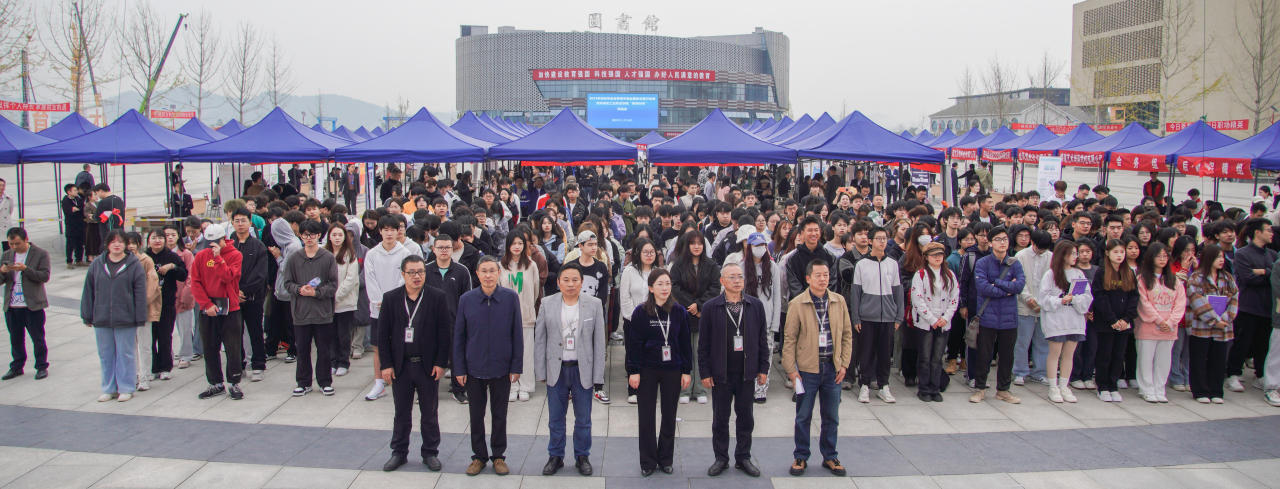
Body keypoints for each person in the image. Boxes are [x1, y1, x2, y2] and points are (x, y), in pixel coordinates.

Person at [378, 255, 453, 472]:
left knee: (429, 413)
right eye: (411, 272)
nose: (417, 276)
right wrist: (386, 365)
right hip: (400, 366)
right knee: (401, 413)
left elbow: (445, 333)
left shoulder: (437, 297)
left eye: (420, 271)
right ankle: (399, 452)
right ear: (403, 274)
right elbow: (382, 335)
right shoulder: (391, 298)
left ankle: (430, 452)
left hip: (427, 366)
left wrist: (441, 363)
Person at [454, 256, 524, 476]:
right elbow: (459, 336)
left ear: (498, 273)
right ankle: (479, 457)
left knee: (499, 414)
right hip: (473, 367)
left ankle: (498, 456)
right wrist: (459, 368)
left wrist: (516, 365)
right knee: (476, 415)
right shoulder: (466, 299)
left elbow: (517, 334)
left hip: (501, 367)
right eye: (483, 271)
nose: (488, 275)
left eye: (492, 271)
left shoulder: (510, 298)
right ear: (477, 274)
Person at [534, 263, 605, 476]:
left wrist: (598, 375)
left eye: (575, 280)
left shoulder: (594, 304)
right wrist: (540, 371)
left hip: (582, 369)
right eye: (566, 280)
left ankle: (582, 456)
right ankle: (555, 456)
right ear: (558, 282)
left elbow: (599, 342)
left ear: (582, 282)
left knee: (583, 419)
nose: (570, 284)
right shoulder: (547, 303)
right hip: (556, 369)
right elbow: (540, 339)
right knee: (556, 418)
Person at [698, 263, 768, 477]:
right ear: (722, 281)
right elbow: (703, 344)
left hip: (747, 373)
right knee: (720, 419)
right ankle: (721, 458)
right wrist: (705, 372)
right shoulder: (711, 307)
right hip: (721, 374)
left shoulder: (755, 305)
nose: (737, 280)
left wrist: (763, 367)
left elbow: (762, 340)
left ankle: (743, 457)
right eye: (732, 277)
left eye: (740, 276)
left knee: (746, 418)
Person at [782, 259, 851, 476]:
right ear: (808, 278)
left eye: (826, 275)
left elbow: (847, 335)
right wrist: (791, 370)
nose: (823, 279)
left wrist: (844, 364)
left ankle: (830, 456)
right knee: (803, 416)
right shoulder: (797, 304)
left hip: (832, 368)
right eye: (818, 275)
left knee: (831, 416)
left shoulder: (839, 301)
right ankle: (801, 456)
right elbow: (789, 339)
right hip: (807, 370)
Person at [626, 269, 692, 476]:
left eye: (668, 284)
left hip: (673, 369)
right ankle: (647, 461)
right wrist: (634, 371)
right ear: (651, 288)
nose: (665, 288)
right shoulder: (641, 312)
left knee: (669, 415)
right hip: (648, 369)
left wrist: (686, 370)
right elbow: (634, 343)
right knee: (646, 416)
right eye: (660, 284)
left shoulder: (679, 311)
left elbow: (685, 343)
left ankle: (666, 459)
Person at [82, 230, 147, 402]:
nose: (117, 244)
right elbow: (88, 290)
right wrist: (87, 315)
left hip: (125, 318)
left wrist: (140, 316)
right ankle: (109, 388)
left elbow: (140, 293)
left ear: (126, 244)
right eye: (113, 241)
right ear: (107, 244)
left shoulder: (134, 265)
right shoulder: (97, 264)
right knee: (105, 354)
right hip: (102, 317)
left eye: (120, 241)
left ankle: (126, 387)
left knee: (126, 353)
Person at [724, 232, 783, 403]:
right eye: (756, 246)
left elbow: (777, 296)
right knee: (747, 354)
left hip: (767, 320)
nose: (759, 249)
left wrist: (775, 324)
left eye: (762, 245)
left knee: (766, 355)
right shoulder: (741, 267)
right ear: (749, 247)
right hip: (745, 320)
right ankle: (748, 386)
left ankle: (761, 389)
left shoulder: (773, 267)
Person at [970, 226, 1025, 404]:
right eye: (998, 239)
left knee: (1007, 356)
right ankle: (979, 388)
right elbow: (983, 287)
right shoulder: (983, 263)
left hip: (1009, 318)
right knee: (984, 355)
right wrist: (1007, 290)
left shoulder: (1015, 263)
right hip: (988, 316)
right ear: (991, 242)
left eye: (1005, 239)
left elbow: (1019, 286)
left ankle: (1003, 390)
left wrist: (998, 283)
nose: (1002, 243)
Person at [190, 224, 246, 400]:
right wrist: (206, 304)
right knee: (209, 347)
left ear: (223, 239)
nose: (211, 246)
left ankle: (234, 382)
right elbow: (195, 282)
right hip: (208, 308)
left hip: (230, 308)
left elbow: (228, 276)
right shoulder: (200, 255)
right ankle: (215, 383)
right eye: (209, 242)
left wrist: (218, 258)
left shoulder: (235, 255)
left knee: (232, 347)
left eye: (215, 242)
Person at [849, 225, 903, 403]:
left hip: (888, 316)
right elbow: (856, 293)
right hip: (867, 316)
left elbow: (898, 292)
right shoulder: (861, 264)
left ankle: (883, 385)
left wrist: (898, 316)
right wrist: (856, 317)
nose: (882, 241)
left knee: (885, 353)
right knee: (866, 352)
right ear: (871, 241)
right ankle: (864, 384)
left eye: (884, 238)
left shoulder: (892, 263)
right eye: (878, 238)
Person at [365, 215, 415, 401]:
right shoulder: (372, 254)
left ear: (398, 231)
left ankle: (404, 380)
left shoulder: (404, 253)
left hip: (399, 307)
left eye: (393, 229)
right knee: (379, 347)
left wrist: (391, 301)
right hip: (377, 309)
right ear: (380, 231)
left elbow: (405, 279)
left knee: (403, 345)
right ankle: (378, 384)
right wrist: (379, 301)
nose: (389, 233)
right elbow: (369, 279)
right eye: (385, 229)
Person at [669, 230, 721, 405]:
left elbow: (715, 288)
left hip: (704, 315)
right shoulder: (678, 264)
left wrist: (700, 305)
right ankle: (685, 389)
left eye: (700, 243)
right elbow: (674, 287)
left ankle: (700, 389)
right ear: (687, 245)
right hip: (684, 314)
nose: (696, 246)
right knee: (685, 352)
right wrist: (691, 305)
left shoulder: (711, 265)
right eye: (693, 243)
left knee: (701, 353)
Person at [1038, 241, 1092, 403]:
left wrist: (1073, 299)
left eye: (1076, 253)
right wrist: (1060, 300)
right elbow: (1043, 298)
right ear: (1062, 255)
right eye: (1072, 253)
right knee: (1055, 354)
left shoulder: (1079, 274)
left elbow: (1087, 296)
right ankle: (1053, 387)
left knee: (1069, 355)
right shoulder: (1051, 274)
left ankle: (1064, 386)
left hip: (1074, 320)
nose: (1076, 257)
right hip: (1056, 320)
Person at [1133, 243, 1186, 403]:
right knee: (1145, 359)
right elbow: (1144, 302)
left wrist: (1171, 322)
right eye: (1158, 256)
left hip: (1169, 328)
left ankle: (1159, 388)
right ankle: (1146, 389)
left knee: (1163, 361)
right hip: (1148, 327)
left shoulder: (1174, 280)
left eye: (1165, 256)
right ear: (1151, 257)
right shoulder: (1142, 279)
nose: (1162, 259)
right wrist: (1159, 320)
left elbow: (1180, 303)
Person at [1186, 245, 1237, 404]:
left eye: (1222, 257)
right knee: (1199, 358)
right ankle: (1200, 390)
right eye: (1217, 257)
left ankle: (1216, 391)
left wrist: (1226, 318)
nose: (1221, 260)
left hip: (1223, 326)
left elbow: (1234, 298)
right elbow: (1196, 300)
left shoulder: (1227, 277)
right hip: (1201, 325)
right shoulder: (1196, 278)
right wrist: (1215, 320)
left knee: (1219, 359)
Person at [1228, 218, 1274, 393]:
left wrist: (1263, 271)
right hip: (1248, 306)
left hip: (1267, 307)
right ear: (1258, 232)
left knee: (1263, 344)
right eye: (1268, 230)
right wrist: (1269, 275)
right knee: (1242, 342)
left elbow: (1276, 276)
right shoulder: (1243, 253)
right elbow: (1248, 277)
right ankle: (1233, 373)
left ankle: (1260, 375)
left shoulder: (1272, 254)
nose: (1271, 233)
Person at [909, 242, 959, 402]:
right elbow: (917, 300)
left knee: (937, 358)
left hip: (943, 322)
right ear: (926, 257)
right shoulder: (920, 275)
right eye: (933, 255)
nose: (937, 257)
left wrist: (945, 318)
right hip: (925, 322)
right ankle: (924, 389)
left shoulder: (949, 275)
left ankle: (935, 388)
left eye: (940, 254)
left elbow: (954, 298)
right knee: (925, 357)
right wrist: (931, 319)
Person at [1, 228, 51, 381]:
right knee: (15, 339)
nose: (14, 247)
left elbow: (44, 276)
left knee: (37, 338)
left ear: (26, 239)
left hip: (32, 305)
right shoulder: (6, 255)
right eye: (11, 244)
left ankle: (41, 366)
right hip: (12, 305)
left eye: (17, 243)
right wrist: (2, 271)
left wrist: (25, 269)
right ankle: (17, 366)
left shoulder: (40, 253)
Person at [1092, 239, 1139, 402]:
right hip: (1106, 322)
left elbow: (1134, 297)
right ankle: (1103, 386)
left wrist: (1127, 318)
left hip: (1124, 324)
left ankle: (1113, 385)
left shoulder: (1129, 272)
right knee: (1105, 355)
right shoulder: (1101, 272)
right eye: (1115, 252)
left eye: (1122, 252)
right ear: (1107, 253)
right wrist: (1112, 318)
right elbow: (1099, 296)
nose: (1119, 255)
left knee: (1118, 356)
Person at [229, 209, 269, 382]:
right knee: (234, 334)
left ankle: (258, 365)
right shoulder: (228, 245)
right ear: (232, 222)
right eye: (237, 220)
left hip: (253, 298)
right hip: (232, 298)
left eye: (243, 220)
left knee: (255, 332)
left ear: (250, 222)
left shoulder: (258, 246)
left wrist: (243, 291)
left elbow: (260, 274)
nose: (240, 224)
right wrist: (233, 291)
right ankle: (238, 365)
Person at [500, 232, 541, 402]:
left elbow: (536, 289)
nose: (517, 246)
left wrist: (528, 306)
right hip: (505, 316)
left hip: (526, 315)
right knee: (507, 352)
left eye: (520, 243)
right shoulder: (501, 265)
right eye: (513, 243)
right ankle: (511, 386)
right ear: (508, 245)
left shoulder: (531, 265)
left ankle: (525, 386)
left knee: (526, 352)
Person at [619, 237, 660, 404]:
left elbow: (663, 295)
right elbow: (625, 296)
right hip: (633, 320)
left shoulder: (658, 271)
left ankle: (649, 388)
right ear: (638, 253)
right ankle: (633, 390)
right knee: (633, 353)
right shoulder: (629, 271)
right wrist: (634, 317)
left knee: (651, 354)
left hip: (654, 320)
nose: (649, 255)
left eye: (652, 252)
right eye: (645, 252)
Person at [143, 229, 186, 382]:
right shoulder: (144, 257)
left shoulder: (171, 256)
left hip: (167, 303)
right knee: (149, 337)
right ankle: (153, 367)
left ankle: (165, 367)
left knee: (165, 336)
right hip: (149, 304)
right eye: (154, 238)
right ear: (148, 240)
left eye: (161, 238)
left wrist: (172, 267)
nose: (157, 241)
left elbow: (183, 275)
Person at [1014, 230, 1054, 386]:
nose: (1041, 251)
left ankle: (1040, 372)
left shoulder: (1051, 257)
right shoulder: (1021, 256)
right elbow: (1018, 279)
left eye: (1044, 249)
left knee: (1043, 342)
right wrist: (1028, 299)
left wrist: (1040, 302)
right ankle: (1020, 371)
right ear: (1032, 242)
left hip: (1044, 306)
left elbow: (1052, 282)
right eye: (1039, 248)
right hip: (1024, 305)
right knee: (1022, 341)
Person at [325, 223, 361, 378]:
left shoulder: (350, 255)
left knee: (344, 334)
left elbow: (350, 279)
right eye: (334, 235)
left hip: (345, 302)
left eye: (340, 235)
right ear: (329, 237)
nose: (337, 238)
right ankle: (332, 361)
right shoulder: (324, 254)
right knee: (330, 334)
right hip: (327, 302)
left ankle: (343, 362)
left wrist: (336, 296)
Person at [60, 184, 86, 269]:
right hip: (71, 226)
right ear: (69, 192)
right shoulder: (65, 201)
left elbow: (82, 209)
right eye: (75, 190)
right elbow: (70, 212)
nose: (77, 192)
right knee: (70, 245)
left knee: (80, 244)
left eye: (76, 190)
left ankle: (79, 260)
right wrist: (76, 210)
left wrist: (77, 209)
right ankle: (69, 262)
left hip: (81, 225)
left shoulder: (78, 199)